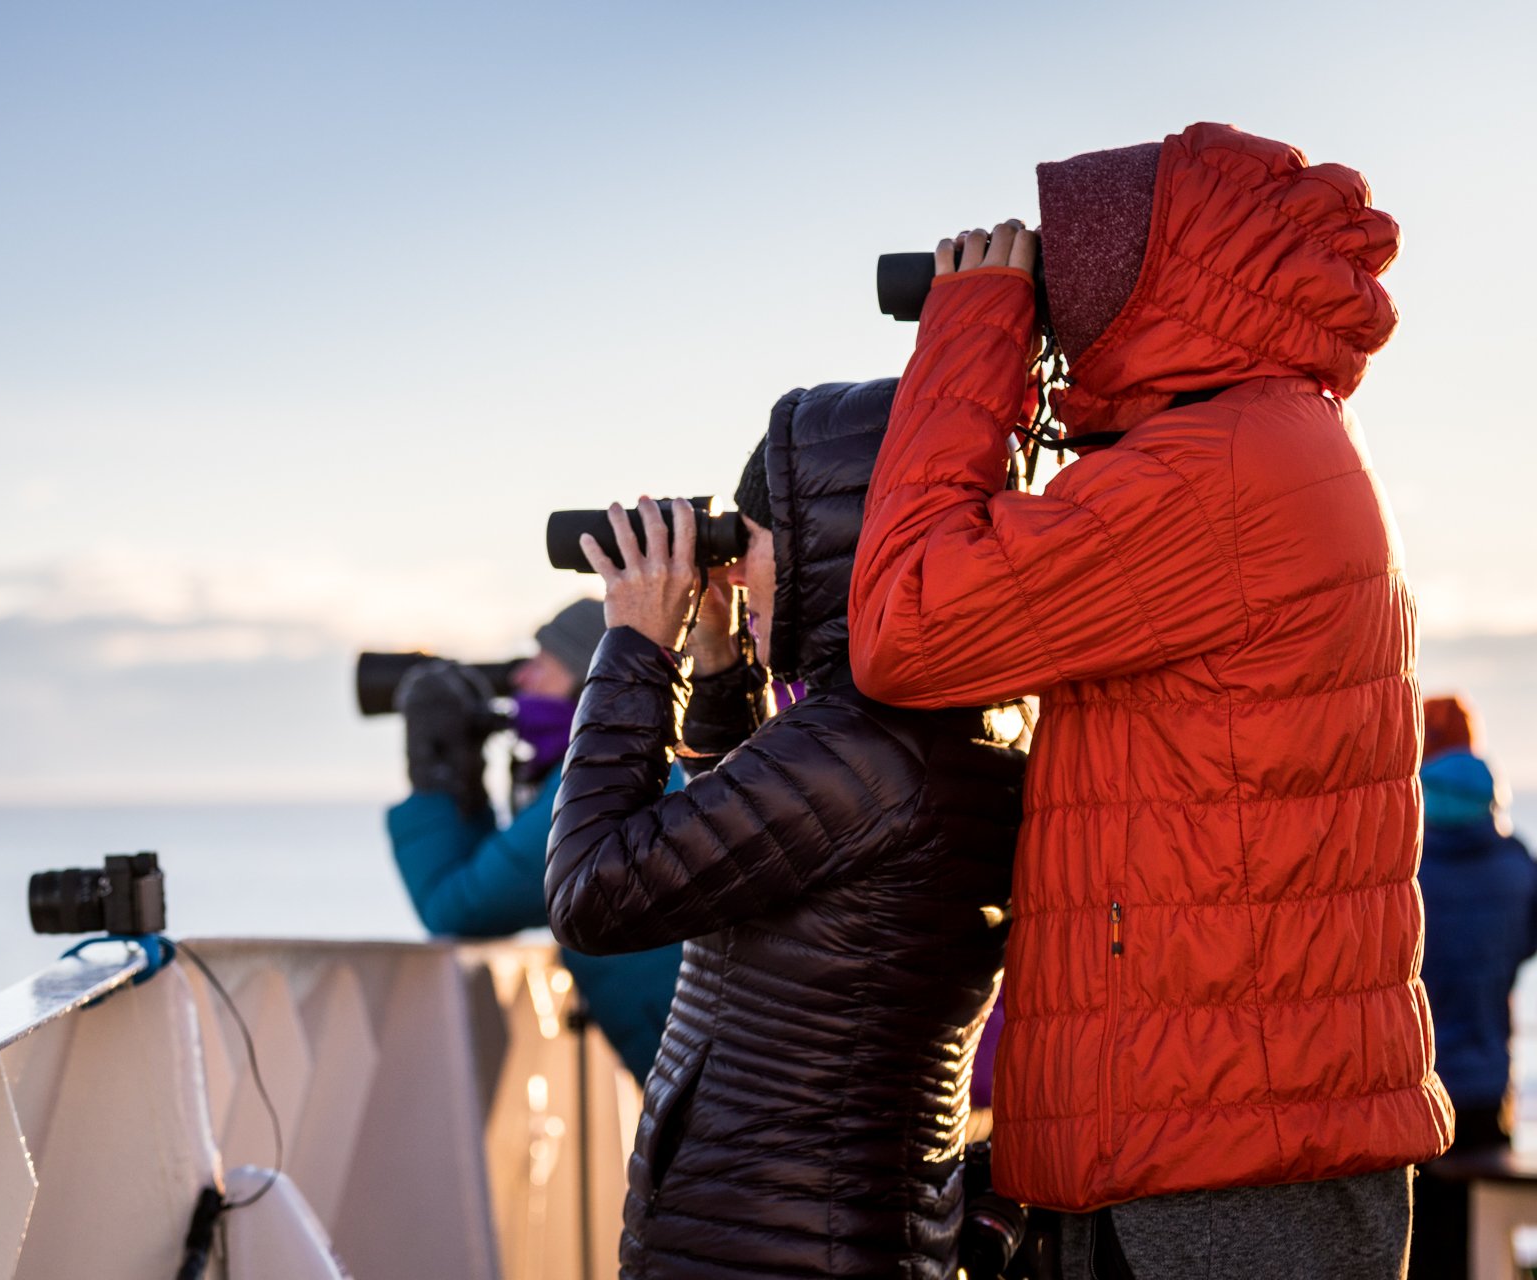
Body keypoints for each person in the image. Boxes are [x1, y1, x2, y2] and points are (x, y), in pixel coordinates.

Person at [848, 123, 1451, 1278]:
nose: (1054, 293)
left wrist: (973, 331)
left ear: (1156, 285)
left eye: (1075, 266)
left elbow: (906, 627)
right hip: (1217, 1135)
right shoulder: (1271, 441)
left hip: (1218, 1170)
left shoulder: (1222, 470)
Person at [546, 383, 1024, 1280]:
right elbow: (761, 857)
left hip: (776, 1244)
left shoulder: (869, 745)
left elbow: (594, 893)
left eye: (753, 544)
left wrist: (637, 651)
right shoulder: (943, 728)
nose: (736, 570)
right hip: (820, 1228)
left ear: (824, 552)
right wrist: (722, 672)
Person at [387, 599, 683, 1082]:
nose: (521, 680)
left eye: (543, 663)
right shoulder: (658, 762)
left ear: (592, 683)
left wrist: (437, 774)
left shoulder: (605, 783)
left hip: (707, 1074)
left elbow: (456, 908)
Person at [1410, 703, 1537, 1275]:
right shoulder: (1518, 867)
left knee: (1418, 1247)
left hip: (1414, 1087)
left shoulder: (1402, 869)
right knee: (1475, 1249)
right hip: (1488, 1087)